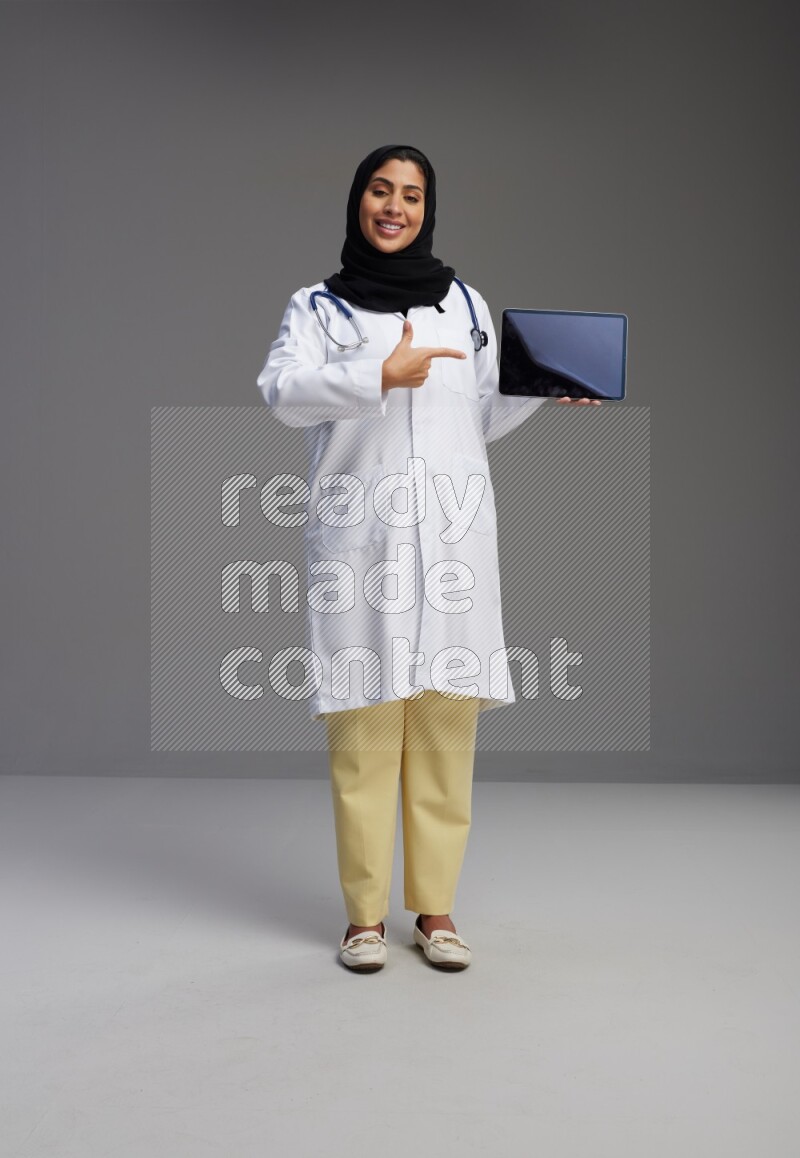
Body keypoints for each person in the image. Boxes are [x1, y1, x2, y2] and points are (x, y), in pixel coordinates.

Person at [257, 144, 599, 973]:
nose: (395, 207)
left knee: (446, 733)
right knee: (366, 737)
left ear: (427, 208)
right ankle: (365, 919)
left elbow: (477, 415)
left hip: (450, 544)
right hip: (361, 543)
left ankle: (436, 913)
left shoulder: (465, 303)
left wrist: (541, 388)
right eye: (381, 190)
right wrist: (380, 371)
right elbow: (279, 394)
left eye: (411, 195)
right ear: (357, 201)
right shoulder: (318, 307)